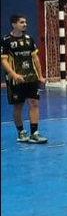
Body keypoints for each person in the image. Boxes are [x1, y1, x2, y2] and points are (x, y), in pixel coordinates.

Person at [1, 14, 48, 143]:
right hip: (16, 79)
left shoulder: (29, 39)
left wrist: (40, 76)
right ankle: (21, 132)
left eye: (25, 22)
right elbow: (4, 61)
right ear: (14, 24)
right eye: (22, 22)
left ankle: (35, 133)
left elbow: (35, 58)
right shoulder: (6, 40)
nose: (25, 24)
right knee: (18, 106)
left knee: (34, 103)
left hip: (31, 77)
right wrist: (13, 74)